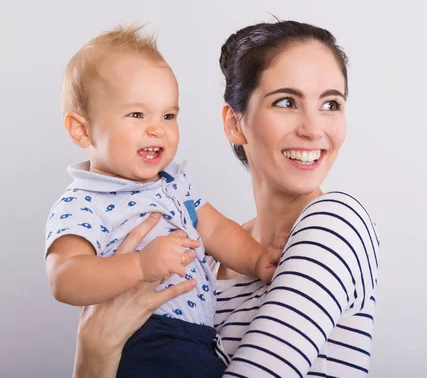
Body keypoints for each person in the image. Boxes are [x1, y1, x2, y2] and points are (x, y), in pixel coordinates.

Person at [73, 20, 380, 377]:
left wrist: (96, 352)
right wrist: (92, 358)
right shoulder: (200, 254)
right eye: (286, 102)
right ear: (234, 123)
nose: (313, 129)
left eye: (331, 104)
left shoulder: (335, 223)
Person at [45, 25, 282, 378]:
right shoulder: (83, 201)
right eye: (137, 115)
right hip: (143, 336)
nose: (158, 129)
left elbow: (214, 227)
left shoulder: (174, 183)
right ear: (82, 130)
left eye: (168, 115)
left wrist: (257, 258)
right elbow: (64, 278)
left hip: (200, 337)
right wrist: (140, 267)